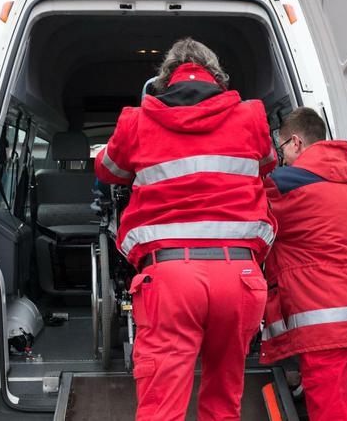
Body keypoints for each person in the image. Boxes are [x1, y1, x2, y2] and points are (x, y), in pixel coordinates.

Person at [94, 38, 277, 421]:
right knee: (224, 402)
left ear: (164, 79)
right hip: (241, 277)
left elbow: (107, 170)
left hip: (171, 278)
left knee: (161, 407)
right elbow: (266, 164)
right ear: (217, 77)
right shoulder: (252, 116)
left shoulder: (137, 119)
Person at [258, 107, 347, 421]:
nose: (280, 158)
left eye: (281, 148)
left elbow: (252, 224)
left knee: (330, 414)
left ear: (295, 143)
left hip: (322, 322)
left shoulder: (285, 185)